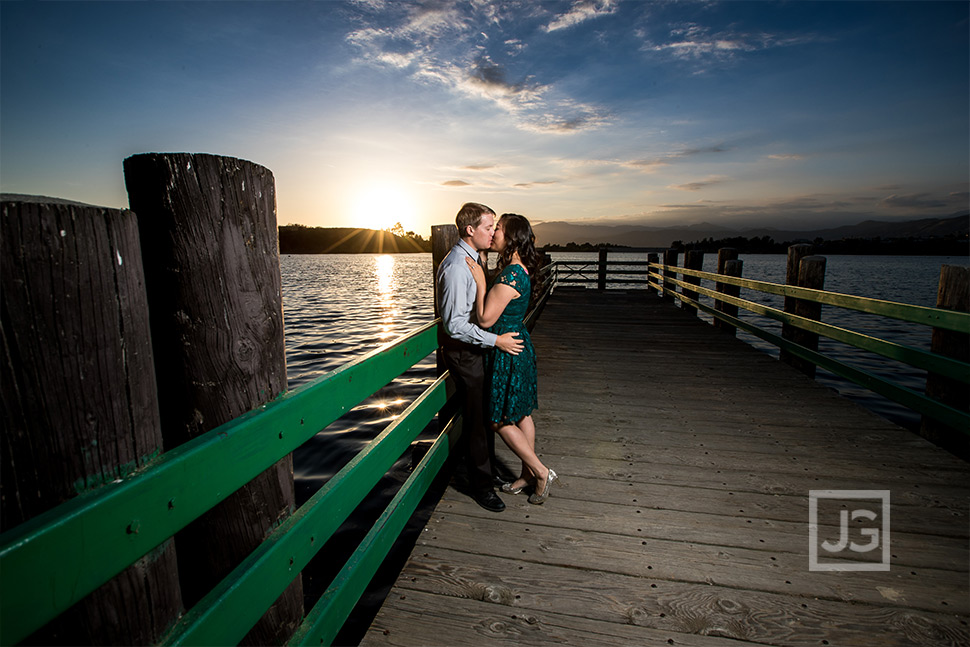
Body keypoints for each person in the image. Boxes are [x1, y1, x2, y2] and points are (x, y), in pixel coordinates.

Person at [436, 202, 524, 512]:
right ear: (470, 230)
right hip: (465, 353)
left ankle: (487, 473)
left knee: (485, 418)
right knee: (476, 422)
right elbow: (455, 324)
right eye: (489, 228)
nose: (493, 232)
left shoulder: (475, 258)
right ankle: (482, 488)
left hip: (478, 350)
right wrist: (495, 340)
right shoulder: (458, 266)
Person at [466, 213, 557, 505]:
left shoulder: (511, 275)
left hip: (508, 351)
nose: (494, 233)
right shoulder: (519, 269)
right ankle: (526, 476)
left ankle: (541, 471)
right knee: (522, 414)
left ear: (513, 238)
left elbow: (484, 319)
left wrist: (481, 281)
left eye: (500, 229)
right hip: (519, 345)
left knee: (499, 420)